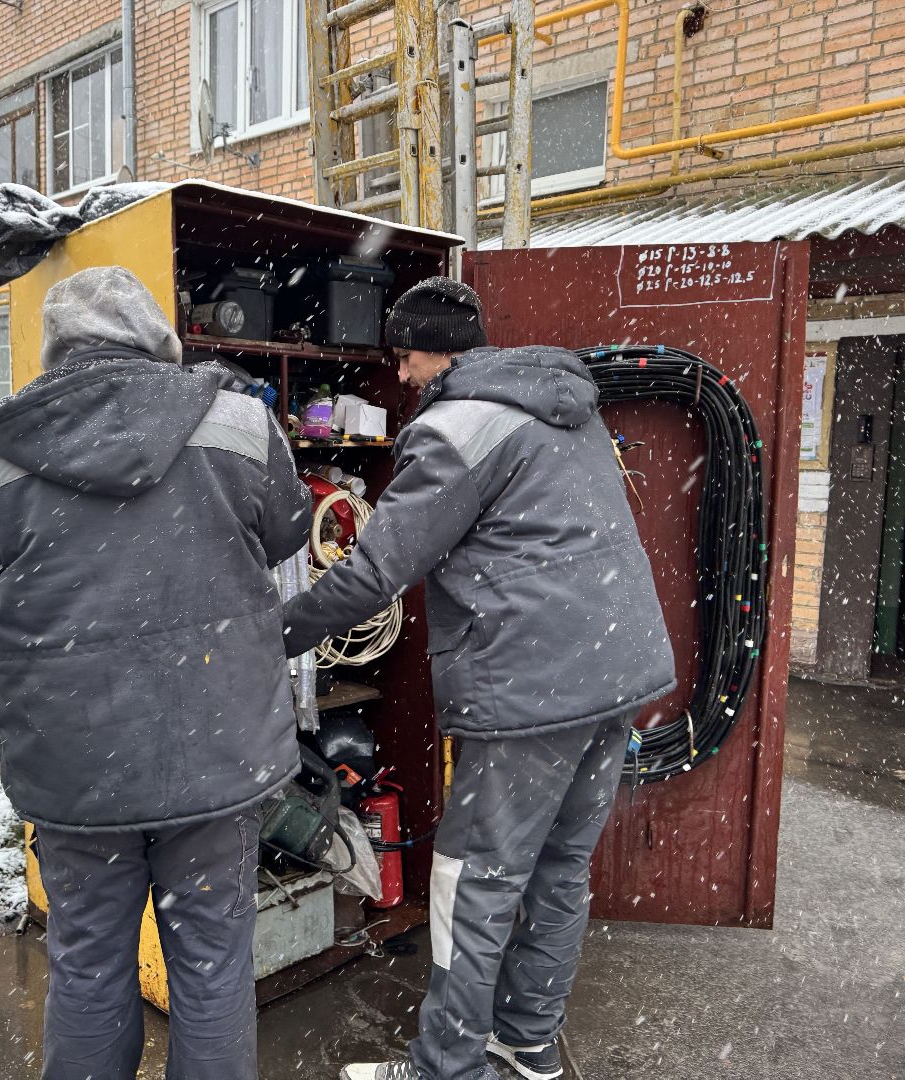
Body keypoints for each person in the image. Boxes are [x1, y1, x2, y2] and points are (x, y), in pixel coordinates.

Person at [281, 277, 676, 1080]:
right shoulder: (565, 405)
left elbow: (377, 572)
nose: (401, 375)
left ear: (435, 349)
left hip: (533, 688)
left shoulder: (455, 428)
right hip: (615, 669)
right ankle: (528, 1041)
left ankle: (444, 1069)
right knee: (560, 870)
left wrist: (277, 633)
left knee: (473, 882)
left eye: (405, 356)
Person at [0, 265, 310, 1080]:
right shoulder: (238, 421)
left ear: (54, 348)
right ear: (154, 336)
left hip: (74, 765)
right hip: (216, 750)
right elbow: (285, 534)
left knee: (90, 965)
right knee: (211, 968)